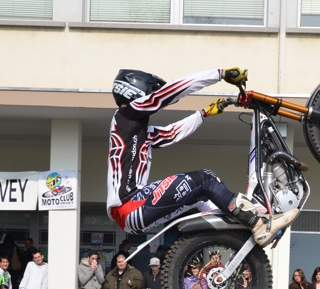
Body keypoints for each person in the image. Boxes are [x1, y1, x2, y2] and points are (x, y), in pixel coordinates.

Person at [106, 67, 298, 248]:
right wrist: (219, 74)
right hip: (130, 205)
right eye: (150, 91)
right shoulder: (126, 114)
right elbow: (170, 92)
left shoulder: (132, 130)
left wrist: (203, 113)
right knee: (205, 179)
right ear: (135, 91)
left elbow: (171, 133)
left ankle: (239, 235)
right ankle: (257, 223)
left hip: (130, 215)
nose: (153, 95)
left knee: (203, 194)